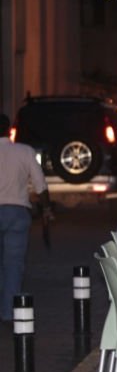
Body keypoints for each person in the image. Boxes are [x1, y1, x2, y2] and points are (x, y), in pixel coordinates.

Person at [0, 113, 53, 321]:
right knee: (13, 264)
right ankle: (8, 313)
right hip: (16, 212)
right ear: (9, 129)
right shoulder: (24, 151)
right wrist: (47, 209)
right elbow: (40, 184)